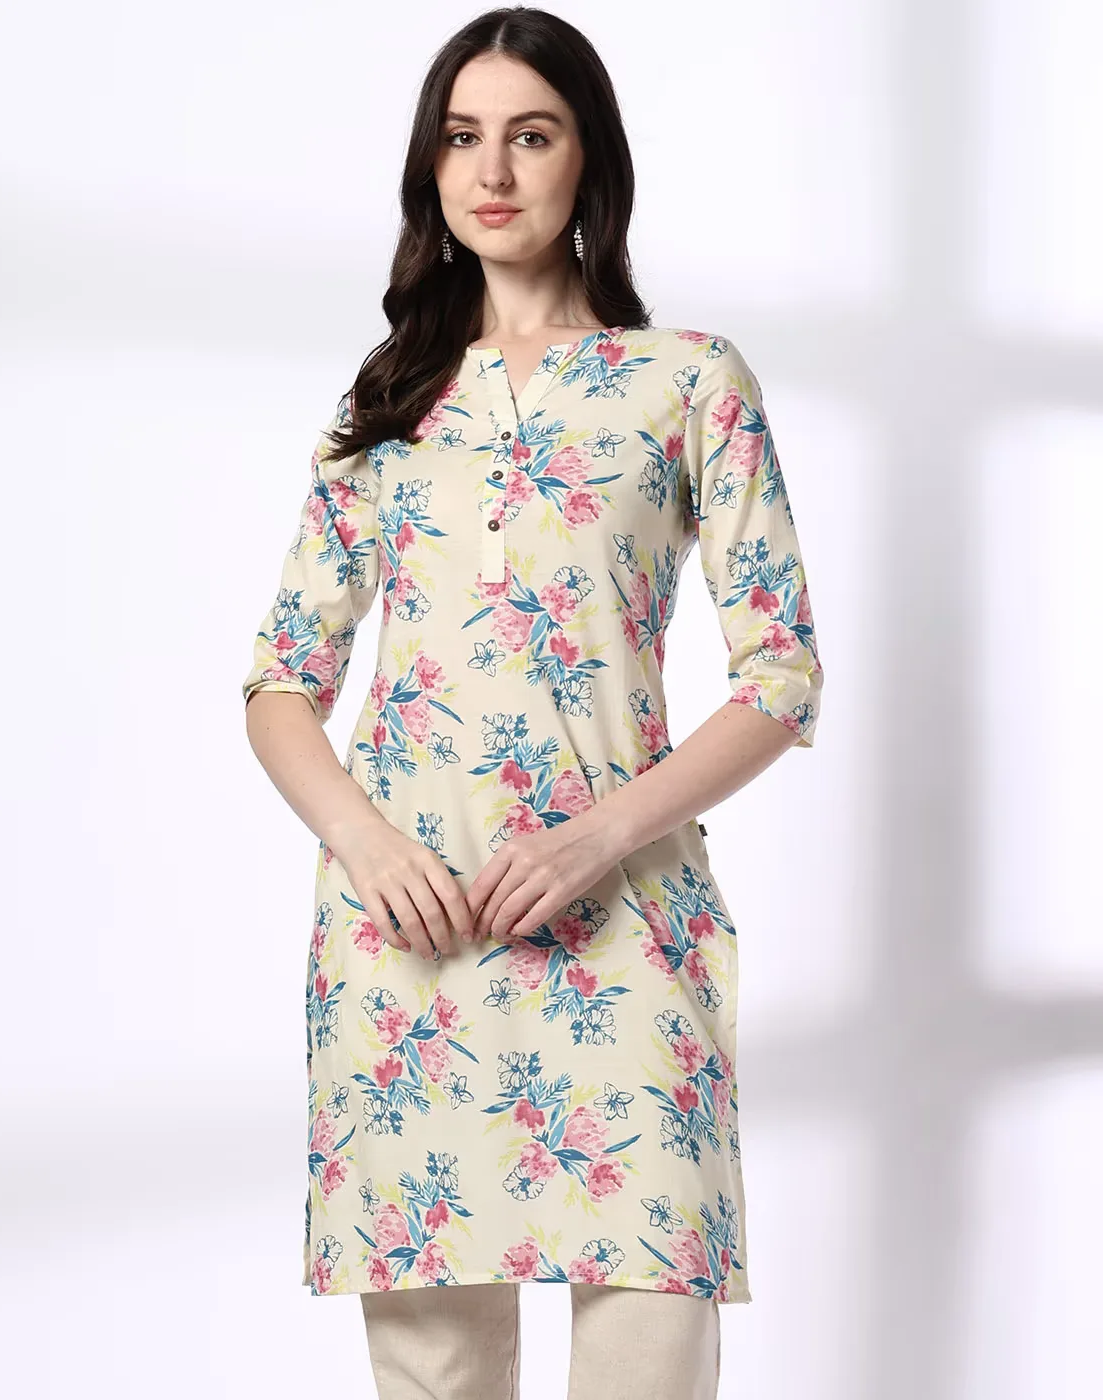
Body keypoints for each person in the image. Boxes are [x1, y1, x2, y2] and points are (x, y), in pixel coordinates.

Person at [241, 7, 824, 1398]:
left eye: (531, 134)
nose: (492, 170)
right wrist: (366, 844)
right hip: (411, 937)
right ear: (430, 168)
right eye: (462, 137)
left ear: (589, 163)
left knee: (650, 1352)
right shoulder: (386, 405)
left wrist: (599, 836)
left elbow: (782, 674)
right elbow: (280, 679)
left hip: (626, 928)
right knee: (436, 1376)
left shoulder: (688, 381)